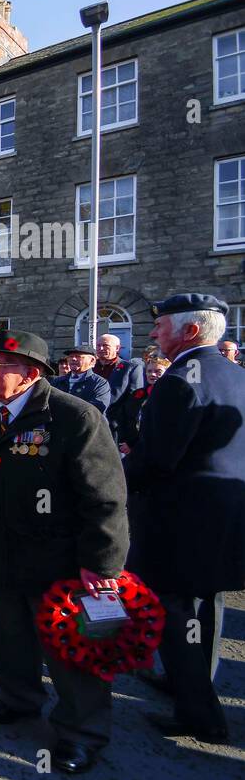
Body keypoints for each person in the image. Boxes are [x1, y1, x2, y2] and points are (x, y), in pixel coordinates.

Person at [0, 329, 128, 775]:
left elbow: (105, 498)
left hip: (60, 561)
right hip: (1, 551)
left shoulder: (74, 417)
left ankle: (82, 732)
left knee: (70, 651)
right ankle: (18, 699)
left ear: (30, 374)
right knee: (10, 635)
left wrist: (100, 564)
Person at [125, 294, 242, 745]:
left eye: (161, 326)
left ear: (190, 331)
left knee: (173, 612)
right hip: (223, 516)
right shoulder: (235, 374)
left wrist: (109, 480)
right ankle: (190, 682)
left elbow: (157, 460)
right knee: (207, 607)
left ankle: (201, 715)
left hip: (180, 520)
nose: (153, 333)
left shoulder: (180, 380)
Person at [112, 358, 168, 453]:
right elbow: (126, 417)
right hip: (134, 448)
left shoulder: (170, 395)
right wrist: (128, 442)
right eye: (149, 371)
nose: (152, 374)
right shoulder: (138, 394)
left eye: (158, 371)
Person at [49, 345, 111, 414]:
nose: (73, 359)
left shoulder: (99, 383)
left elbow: (95, 410)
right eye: (70, 357)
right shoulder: (58, 381)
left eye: (78, 356)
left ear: (92, 361)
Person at [94, 333, 144, 402]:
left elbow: (135, 396)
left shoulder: (131, 368)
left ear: (117, 348)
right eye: (98, 345)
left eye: (105, 345)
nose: (101, 348)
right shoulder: (90, 367)